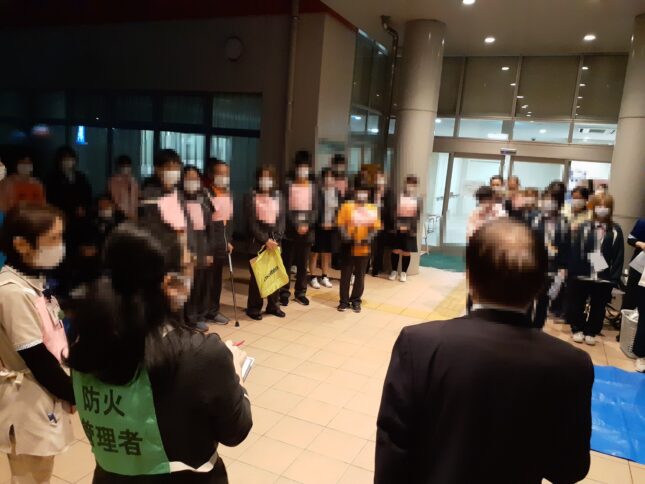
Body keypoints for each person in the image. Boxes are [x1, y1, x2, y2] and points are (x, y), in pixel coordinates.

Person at [376, 218, 593, 484]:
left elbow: (393, 451)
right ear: (540, 285)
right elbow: (569, 469)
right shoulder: (571, 364)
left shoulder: (420, 344)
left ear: (469, 276)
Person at [67, 221, 252, 482]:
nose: (194, 271)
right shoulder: (203, 355)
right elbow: (235, 432)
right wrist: (236, 377)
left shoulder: (86, 339)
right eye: (188, 265)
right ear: (170, 283)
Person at [0, 204, 75, 483]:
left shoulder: (32, 280)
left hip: (43, 394)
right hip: (27, 400)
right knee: (30, 476)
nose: (59, 245)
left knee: (41, 472)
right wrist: (74, 393)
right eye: (52, 239)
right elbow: (37, 358)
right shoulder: (12, 292)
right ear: (22, 244)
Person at [566, 194, 624, 346]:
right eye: (599, 206)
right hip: (583, 273)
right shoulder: (585, 226)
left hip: (603, 276)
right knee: (578, 302)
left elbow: (618, 255)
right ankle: (577, 328)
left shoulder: (615, 230)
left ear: (610, 209)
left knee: (598, 306)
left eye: (605, 206)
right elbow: (576, 250)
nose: (602, 209)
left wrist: (614, 278)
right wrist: (572, 271)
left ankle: (591, 331)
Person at [46, 146, 93, 298]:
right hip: (61, 222)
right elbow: (52, 200)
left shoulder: (80, 177)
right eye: (65, 159)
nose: (68, 162)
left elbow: (88, 196)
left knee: (80, 255)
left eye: (70, 158)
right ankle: (61, 288)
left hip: (80, 224)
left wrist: (83, 208)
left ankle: (77, 285)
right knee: (62, 256)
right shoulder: (52, 179)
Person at [244, 166, 286, 320]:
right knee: (257, 277)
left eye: (269, 177)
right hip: (257, 241)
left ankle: (273, 306)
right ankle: (254, 308)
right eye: (263, 177)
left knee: (274, 274)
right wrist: (265, 240)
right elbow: (251, 223)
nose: (266, 180)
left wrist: (276, 238)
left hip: (275, 241)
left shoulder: (279, 196)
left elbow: (281, 219)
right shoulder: (251, 195)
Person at [336, 179, 381, 312]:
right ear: (355, 192)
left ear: (368, 194)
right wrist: (349, 238)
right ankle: (343, 301)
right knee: (346, 275)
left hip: (364, 247)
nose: (362, 194)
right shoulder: (347, 206)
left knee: (360, 276)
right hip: (348, 246)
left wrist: (366, 239)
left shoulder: (372, 208)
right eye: (359, 191)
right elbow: (340, 225)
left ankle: (356, 300)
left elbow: (375, 228)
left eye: (364, 192)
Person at [279, 153, 317, 306]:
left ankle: (301, 292)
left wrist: (307, 224)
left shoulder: (313, 187)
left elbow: (316, 210)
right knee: (286, 263)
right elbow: (284, 207)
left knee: (303, 264)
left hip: (307, 232)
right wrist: (296, 224)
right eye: (300, 166)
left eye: (305, 167)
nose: (303, 170)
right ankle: (284, 292)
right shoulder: (288, 185)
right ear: (295, 167)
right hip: (290, 231)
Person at [181, 166, 216, 329]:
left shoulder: (204, 199)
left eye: (195, 178)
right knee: (188, 286)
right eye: (188, 178)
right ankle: (188, 317)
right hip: (186, 249)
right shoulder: (178, 200)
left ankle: (200, 315)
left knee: (202, 284)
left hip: (203, 246)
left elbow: (210, 228)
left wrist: (209, 251)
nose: (192, 181)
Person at [530, 189, 570, 329]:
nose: (549, 202)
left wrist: (563, 267)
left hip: (553, 266)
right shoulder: (535, 218)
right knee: (529, 296)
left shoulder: (563, 222)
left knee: (544, 299)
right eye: (546, 199)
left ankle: (537, 328)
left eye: (552, 200)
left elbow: (566, 246)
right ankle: (524, 325)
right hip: (533, 263)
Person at [204, 159, 234, 325]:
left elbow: (228, 220)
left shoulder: (228, 194)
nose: (224, 177)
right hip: (208, 242)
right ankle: (201, 312)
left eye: (226, 174)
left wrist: (228, 239)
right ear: (212, 175)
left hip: (222, 241)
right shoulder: (206, 194)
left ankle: (213, 311)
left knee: (217, 279)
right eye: (220, 173)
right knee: (205, 280)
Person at [388, 175, 422, 283]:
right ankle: (394, 271)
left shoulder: (418, 199)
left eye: (413, 184)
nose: (410, 186)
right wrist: (397, 225)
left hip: (410, 229)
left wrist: (409, 227)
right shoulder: (399, 196)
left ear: (416, 186)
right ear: (405, 183)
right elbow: (393, 212)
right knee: (396, 250)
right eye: (409, 183)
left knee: (407, 251)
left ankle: (404, 273)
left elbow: (417, 216)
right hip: (397, 227)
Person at [309, 167, 339, 289]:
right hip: (318, 227)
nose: (328, 179)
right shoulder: (317, 193)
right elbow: (313, 211)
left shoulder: (336, 193)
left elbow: (339, 211)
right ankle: (312, 276)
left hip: (331, 228)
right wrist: (320, 223)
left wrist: (334, 223)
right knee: (315, 253)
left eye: (331, 177)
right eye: (326, 177)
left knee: (327, 253)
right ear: (322, 179)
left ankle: (324, 276)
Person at [0, 147, 46, 212]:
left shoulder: (38, 183)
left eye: (29, 163)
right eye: (23, 162)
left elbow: (43, 206)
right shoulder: (7, 183)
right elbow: (3, 209)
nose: (26, 165)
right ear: (16, 164)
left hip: (37, 217)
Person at [371, 170, 393, 277]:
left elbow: (390, 210)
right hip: (370, 223)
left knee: (379, 248)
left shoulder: (389, 193)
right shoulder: (372, 192)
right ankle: (366, 266)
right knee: (369, 246)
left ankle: (376, 268)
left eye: (381, 179)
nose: (379, 181)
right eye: (377, 179)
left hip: (383, 224)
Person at [108, 155, 139, 220]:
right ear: (119, 167)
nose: (126, 168)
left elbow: (137, 198)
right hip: (120, 216)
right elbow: (115, 200)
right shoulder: (114, 181)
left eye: (128, 166)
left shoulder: (133, 181)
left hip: (134, 216)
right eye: (123, 166)